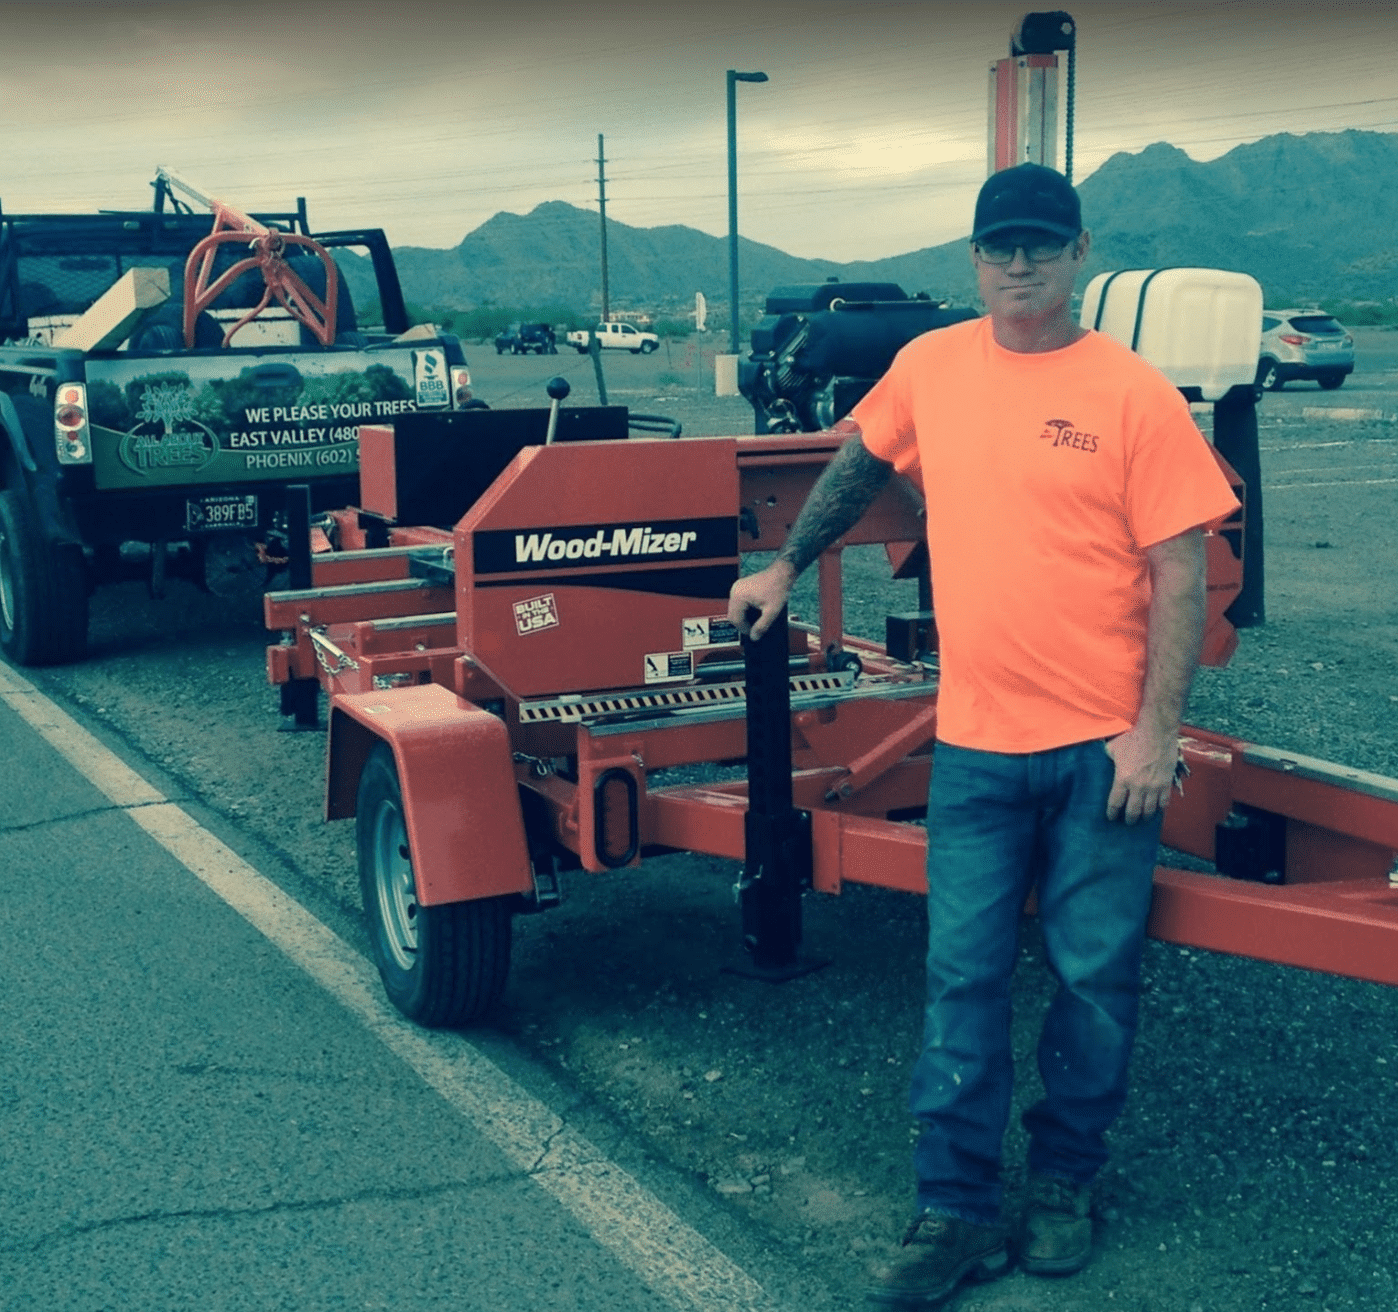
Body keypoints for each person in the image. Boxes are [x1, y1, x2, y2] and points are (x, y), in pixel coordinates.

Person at [727, 163, 1240, 1308]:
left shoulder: (1131, 393)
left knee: (1095, 978)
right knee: (960, 977)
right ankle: (951, 1210)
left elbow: (1182, 570)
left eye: (1041, 246)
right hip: (975, 744)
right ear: (974, 257)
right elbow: (859, 462)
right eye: (1001, 245)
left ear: (1080, 253)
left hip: (1103, 749)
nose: (1020, 264)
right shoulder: (931, 368)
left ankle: (1063, 1184)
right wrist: (784, 563)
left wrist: (1157, 735)